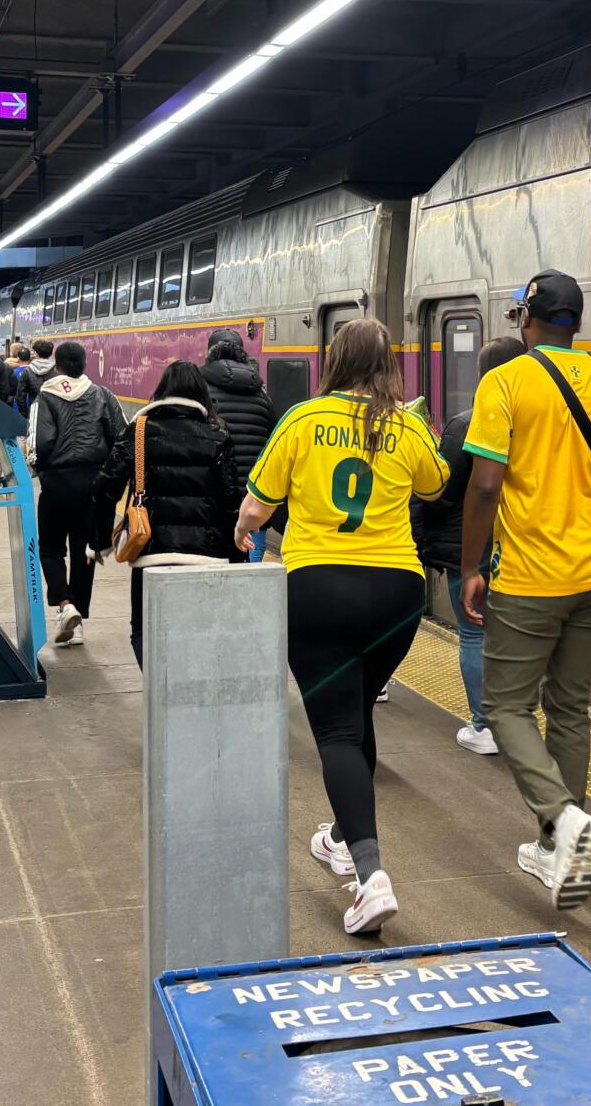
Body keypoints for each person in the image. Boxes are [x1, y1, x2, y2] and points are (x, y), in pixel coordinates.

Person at [460, 270, 591, 910]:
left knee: (506, 707)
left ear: (527, 319)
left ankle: (562, 817)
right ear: (575, 324)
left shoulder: (505, 382)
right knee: (571, 708)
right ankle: (556, 848)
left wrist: (471, 567)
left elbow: (486, 486)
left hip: (531, 578)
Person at [234, 318, 449, 936]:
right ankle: (341, 837)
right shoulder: (406, 425)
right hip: (397, 597)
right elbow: (436, 486)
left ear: (334, 360)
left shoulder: (303, 420)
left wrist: (245, 529)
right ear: (387, 365)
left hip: (320, 591)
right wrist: (416, 432)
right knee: (356, 715)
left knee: (335, 730)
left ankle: (371, 877)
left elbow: (257, 504)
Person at [413, 336, 526, 756]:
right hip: (526, 546)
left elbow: (440, 493)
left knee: (475, 634)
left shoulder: (466, 424)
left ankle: (485, 726)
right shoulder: (543, 421)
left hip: (473, 549)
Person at [90, 361, 242, 668]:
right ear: (202, 393)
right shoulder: (218, 434)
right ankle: (189, 689)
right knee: (199, 634)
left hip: (152, 555)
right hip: (206, 558)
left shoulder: (139, 431)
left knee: (143, 632)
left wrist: (100, 541)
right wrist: (236, 557)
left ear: (162, 390)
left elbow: (105, 486)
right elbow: (231, 500)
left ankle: (160, 690)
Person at [32, 341, 126, 645]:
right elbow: (122, 438)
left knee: (50, 549)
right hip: (93, 484)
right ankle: (79, 622)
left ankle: (64, 605)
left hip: (58, 484)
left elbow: (38, 445)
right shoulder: (102, 394)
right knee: (84, 551)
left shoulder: (45, 397)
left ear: (57, 366)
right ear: (85, 365)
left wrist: (41, 470)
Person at [202, 327, 281, 563]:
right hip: (253, 494)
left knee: (216, 557)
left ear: (210, 353)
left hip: (214, 494)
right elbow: (274, 442)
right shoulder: (262, 396)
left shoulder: (201, 392)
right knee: (253, 549)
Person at [17, 337, 56, 414]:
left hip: (34, 411)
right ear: (50, 353)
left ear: (36, 353)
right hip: (53, 412)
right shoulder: (56, 370)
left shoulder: (27, 371)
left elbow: (20, 397)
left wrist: (26, 414)